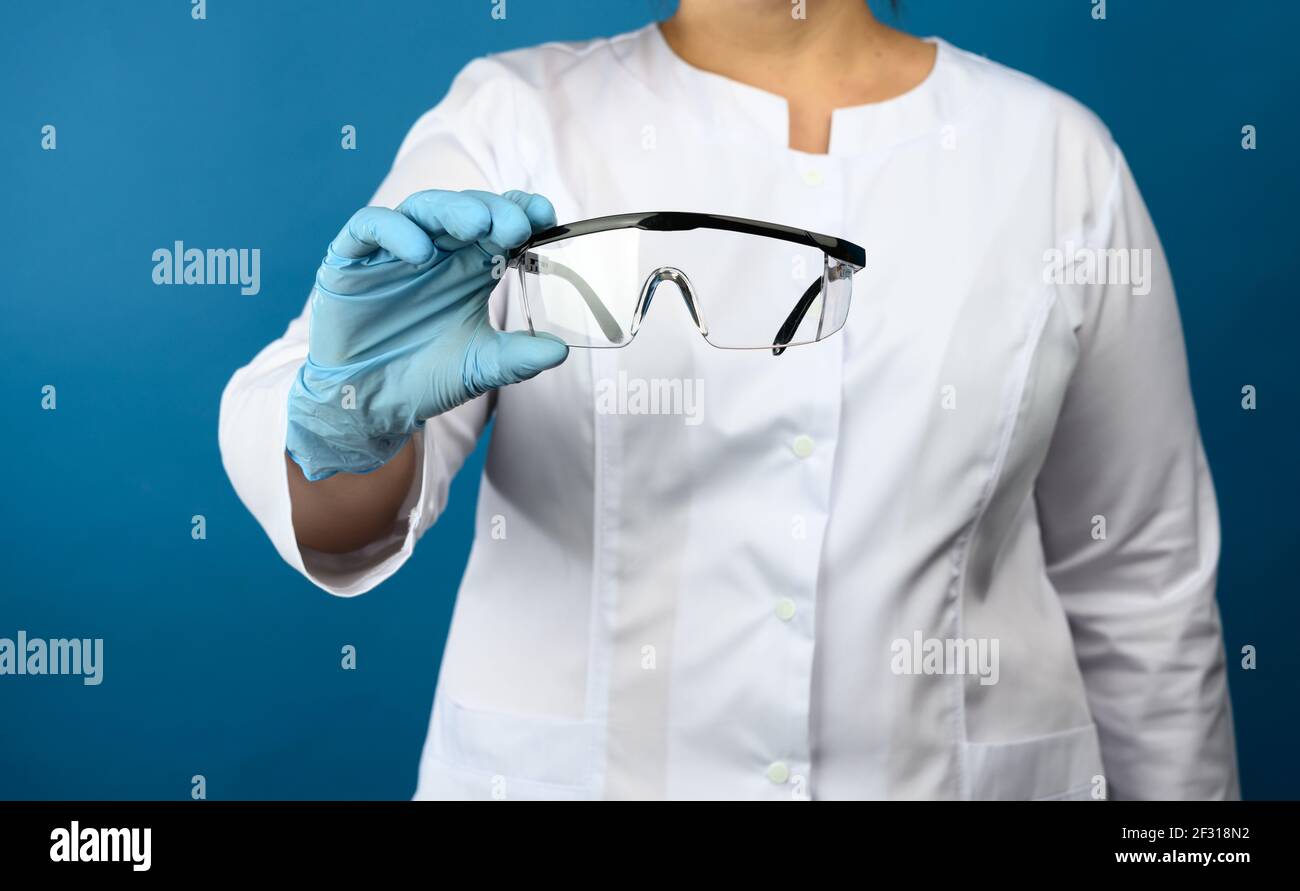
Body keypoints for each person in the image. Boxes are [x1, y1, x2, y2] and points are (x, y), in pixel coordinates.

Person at [218, 0, 1239, 800]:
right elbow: (345, 512)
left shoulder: (1055, 160)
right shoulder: (512, 121)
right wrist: (347, 423)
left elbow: (1141, 581)